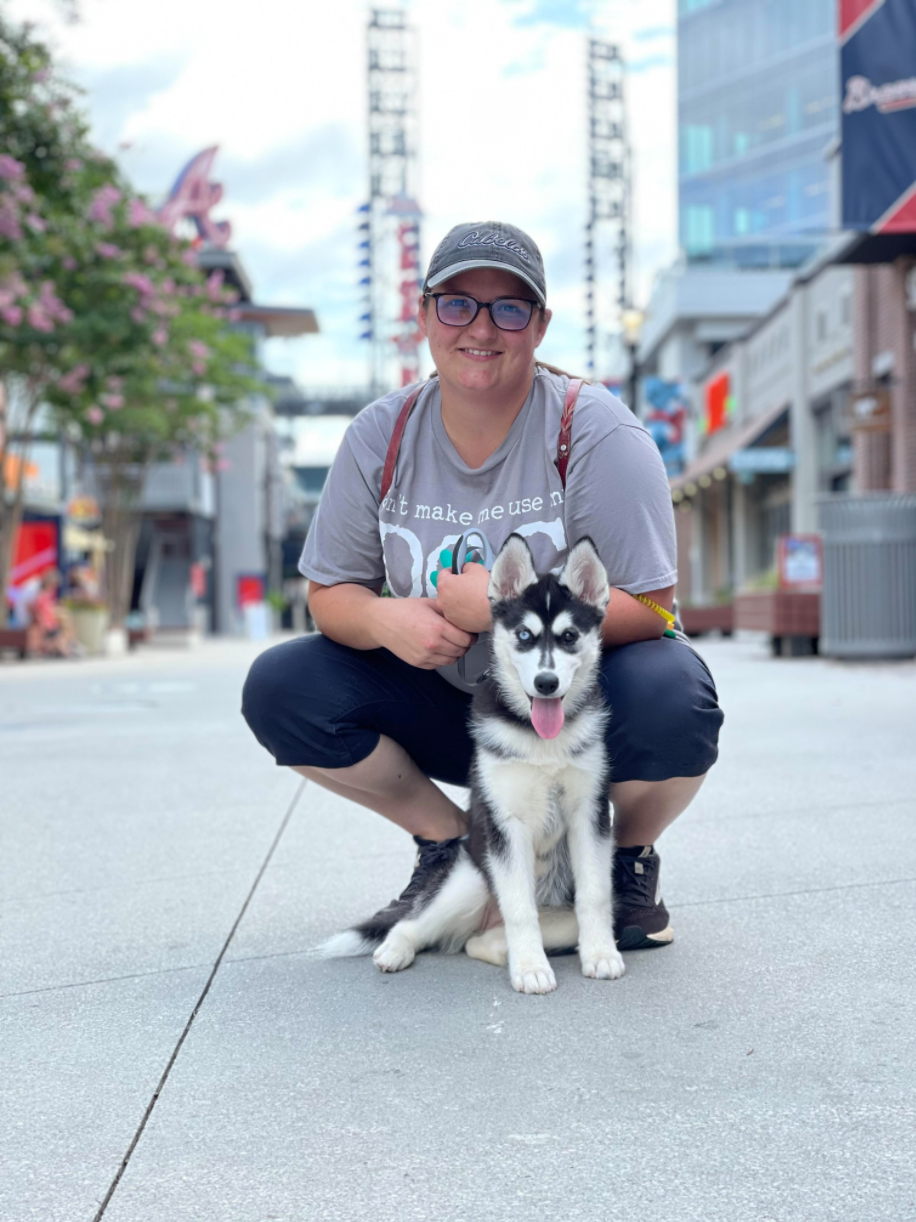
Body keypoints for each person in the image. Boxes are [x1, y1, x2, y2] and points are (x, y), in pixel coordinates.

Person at [243, 220, 724, 951]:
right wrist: (383, 620)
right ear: (425, 315)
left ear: (539, 325)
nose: (482, 327)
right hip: (447, 708)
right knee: (284, 684)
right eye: (458, 303)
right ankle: (450, 850)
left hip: (568, 706)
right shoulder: (382, 434)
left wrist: (501, 614)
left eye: (509, 307)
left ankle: (622, 857)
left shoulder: (596, 431)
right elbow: (330, 596)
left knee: (675, 695)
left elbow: (655, 607)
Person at [27, 568, 80, 658]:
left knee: (66, 625)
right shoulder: (42, 597)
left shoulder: (48, 596)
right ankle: (63, 649)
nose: (54, 588)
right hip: (47, 626)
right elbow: (39, 613)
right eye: (53, 585)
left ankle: (65, 648)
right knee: (63, 632)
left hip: (52, 624)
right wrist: (44, 624)